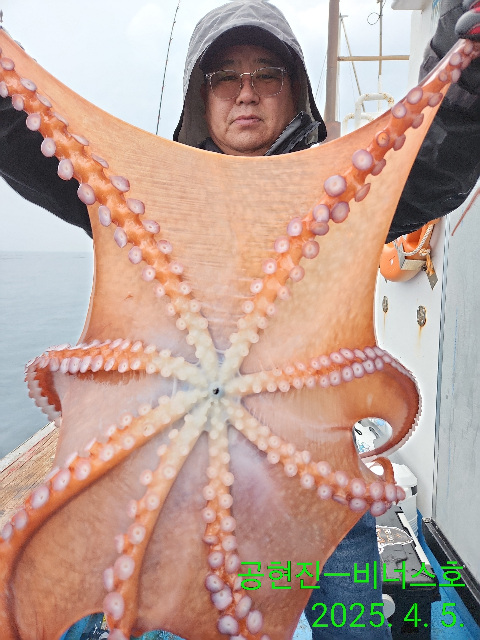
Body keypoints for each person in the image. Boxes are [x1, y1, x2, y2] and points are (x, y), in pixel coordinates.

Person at [0, 1, 479, 639]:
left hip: (322, 489)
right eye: (225, 76)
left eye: (267, 74)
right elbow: (32, 144)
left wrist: (467, 77)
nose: (246, 92)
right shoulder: (148, 202)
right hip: (183, 482)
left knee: (352, 626)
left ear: (295, 89)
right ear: (201, 97)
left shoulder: (339, 196)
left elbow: (431, 160)